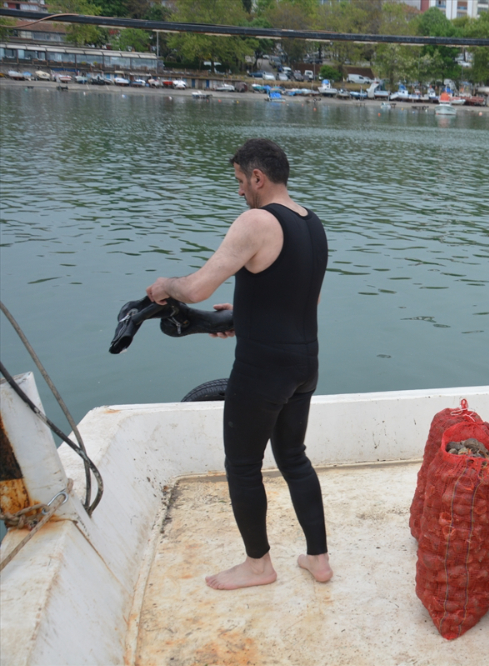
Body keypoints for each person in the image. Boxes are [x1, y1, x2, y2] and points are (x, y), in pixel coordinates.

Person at [146, 138, 332, 590]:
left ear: (258, 178)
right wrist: (243, 316)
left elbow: (197, 289)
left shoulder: (257, 220)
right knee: (293, 457)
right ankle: (318, 559)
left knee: (243, 465)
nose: (239, 192)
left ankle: (257, 566)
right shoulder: (313, 224)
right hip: (304, 362)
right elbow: (302, 297)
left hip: (262, 369)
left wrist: (165, 285)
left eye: (239, 181)